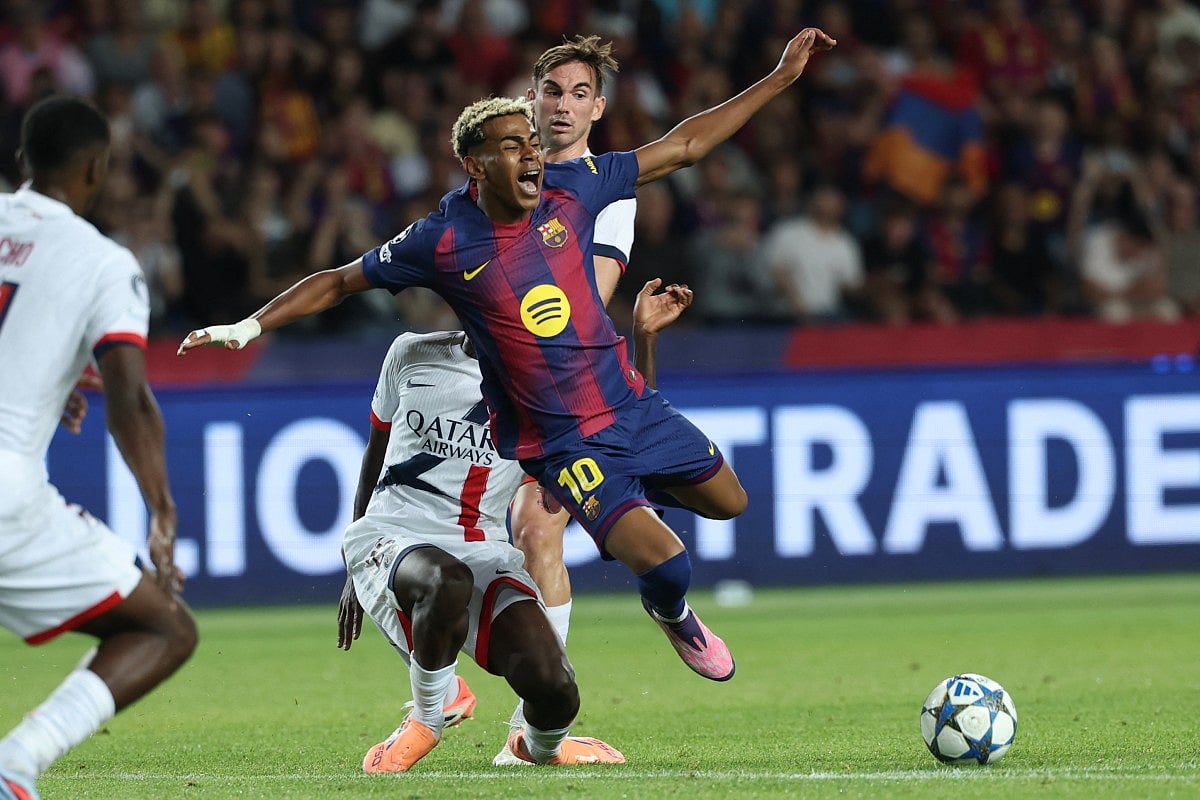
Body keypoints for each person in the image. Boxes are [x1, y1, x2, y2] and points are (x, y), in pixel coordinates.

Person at [178, 25, 834, 691]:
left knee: (731, 503)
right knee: (665, 567)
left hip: (628, 405)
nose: (531, 155)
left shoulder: (580, 188)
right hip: (561, 439)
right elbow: (342, 279)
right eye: (518, 141)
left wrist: (781, 76)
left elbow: (687, 145)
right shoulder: (443, 237)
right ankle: (631, 634)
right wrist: (250, 325)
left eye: (534, 142)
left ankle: (620, 516)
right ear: (479, 161)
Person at [337, 279, 692, 772]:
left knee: (557, 691)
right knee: (447, 580)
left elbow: (625, 439)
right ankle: (427, 714)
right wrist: (355, 563)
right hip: (393, 534)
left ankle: (536, 747)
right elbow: (374, 453)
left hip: (482, 547)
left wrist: (645, 340)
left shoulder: (540, 398)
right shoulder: (410, 353)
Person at [0, 95, 197, 800]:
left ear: (23, 161)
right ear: (97, 169)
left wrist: (40, 374)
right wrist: (162, 508)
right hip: (5, 490)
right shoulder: (103, 262)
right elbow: (131, 399)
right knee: (163, 629)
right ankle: (17, 762)